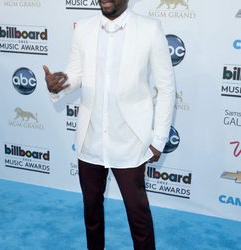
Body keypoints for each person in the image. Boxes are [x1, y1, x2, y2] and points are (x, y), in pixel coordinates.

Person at [43, 0, 175, 249]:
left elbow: (166, 88)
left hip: (130, 141)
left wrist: (158, 140)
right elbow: (76, 74)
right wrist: (59, 85)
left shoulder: (149, 29)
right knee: (91, 212)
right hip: (90, 139)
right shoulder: (83, 28)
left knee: (138, 216)